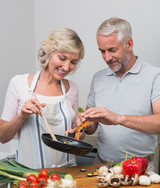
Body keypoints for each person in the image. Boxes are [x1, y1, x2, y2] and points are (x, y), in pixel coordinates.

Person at [80, 17, 160, 171]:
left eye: (112, 50)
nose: (106, 57)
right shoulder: (98, 78)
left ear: (129, 44)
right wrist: (82, 125)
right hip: (101, 165)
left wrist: (119, 119)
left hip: (141, 168)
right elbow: (91, 125)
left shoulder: (155, 76)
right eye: (102, 51)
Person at [0, 28, 85, 168]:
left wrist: (79, 131)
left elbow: (76, 134)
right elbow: (3, 137)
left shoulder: (72, 89)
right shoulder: (18, 83)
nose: (67, 67)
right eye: (62, 58)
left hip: (66, 177)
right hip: (29, 177)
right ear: (49, 53)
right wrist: (22, 116)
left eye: (73, 62)